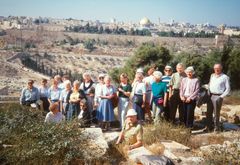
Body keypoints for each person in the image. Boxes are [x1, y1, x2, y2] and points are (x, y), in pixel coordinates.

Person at [207, 64, 230, 132]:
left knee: (216, 113)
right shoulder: (212, 75)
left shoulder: (225, 77)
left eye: (218, 68)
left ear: (221, 68)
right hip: (210, 95)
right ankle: (208, 127)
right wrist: (208, 90)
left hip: (218, 96)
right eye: (215, 68)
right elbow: (209, 84)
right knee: (209, 112)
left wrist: (221, 97)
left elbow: (228, 89)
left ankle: (217, 128)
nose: (216, 69)